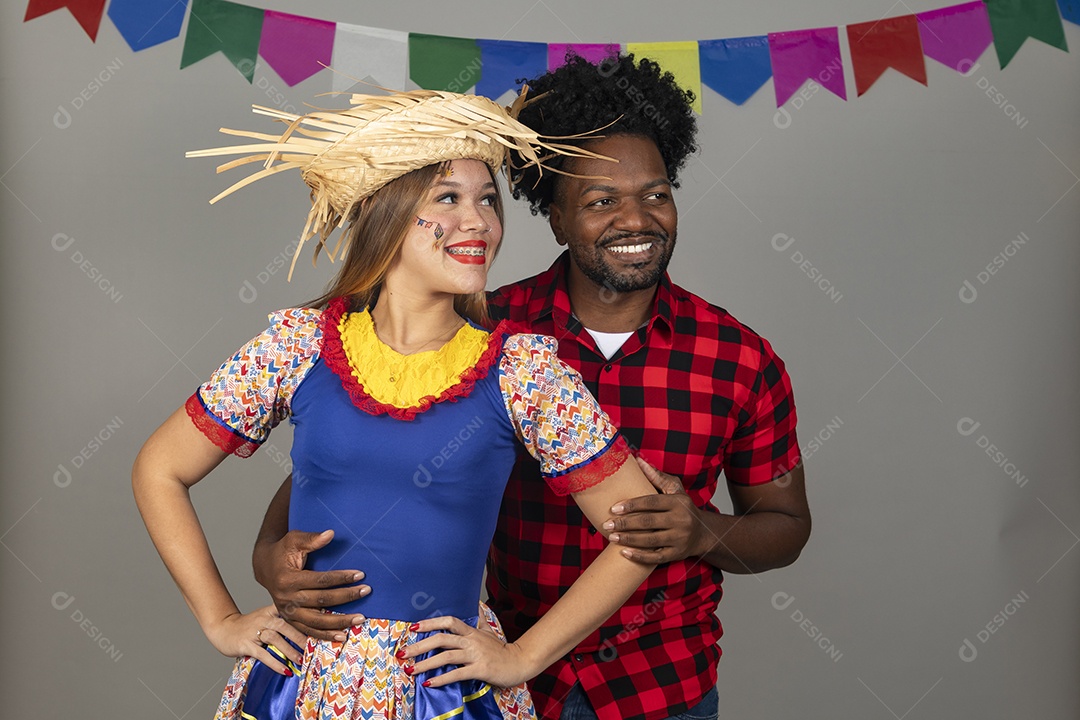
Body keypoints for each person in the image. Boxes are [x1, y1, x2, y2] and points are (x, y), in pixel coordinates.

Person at [255, 55, 811, 720]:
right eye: (602, 201)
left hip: (662, 686)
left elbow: (785, 526)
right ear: (553, 215)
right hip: (494, 685)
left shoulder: (740, 358)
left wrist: (701, 533)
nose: (636, 220)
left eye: (656, 194)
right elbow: (339, 470)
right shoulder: (487, 338)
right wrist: (270, 559)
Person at [132, 88, 666, 720]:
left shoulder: (522, 371)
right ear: (387, 213)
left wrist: (523, 657)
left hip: (441, 687)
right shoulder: (300, 347)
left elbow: (641, 527)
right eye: (449, 198)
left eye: (488, 200)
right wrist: (221, 620)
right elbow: (159, 470)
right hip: (305, 682)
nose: (480, 222)